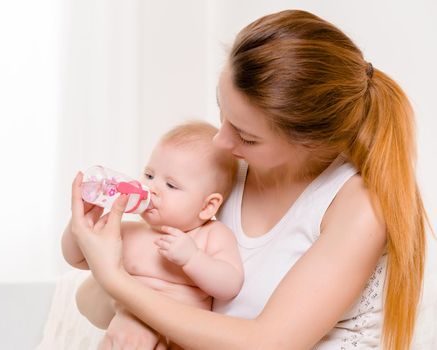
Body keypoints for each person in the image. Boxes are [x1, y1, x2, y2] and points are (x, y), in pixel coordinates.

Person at [65, 9, 429, 350]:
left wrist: (117, 283)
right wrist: (130, 307)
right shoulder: (221, 173)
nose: (220, 141)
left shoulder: (357, 206)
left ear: (310, 142)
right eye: (221, 112)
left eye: (246, 135)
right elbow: (90, 299)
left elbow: (267, 343)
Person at [62, 121, 243, 349]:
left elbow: (230, 284)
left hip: (177, 337)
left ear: (208, 206)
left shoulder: (210, 235)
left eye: (170, 184)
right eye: (149, 175)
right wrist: (80, 224)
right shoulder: (127, 230)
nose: (152, 188)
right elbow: (77, 258)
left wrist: (193, 258)